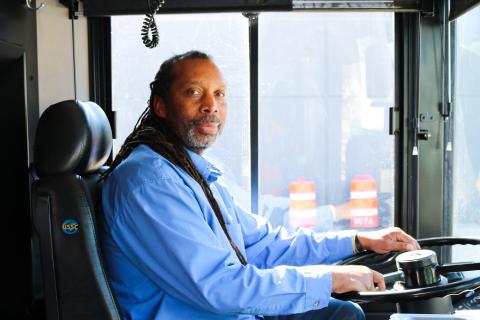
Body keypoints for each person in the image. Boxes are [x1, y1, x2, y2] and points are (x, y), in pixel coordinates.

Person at [100, 50, 420, 320]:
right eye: (194, 92)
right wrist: (327, 279)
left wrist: (356, 240)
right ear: (160, 106)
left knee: (343, 312)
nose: (211, 105)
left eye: (220, 94)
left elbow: (263, 244)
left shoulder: (193, 171)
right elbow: (220, 286)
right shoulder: (149, 183)